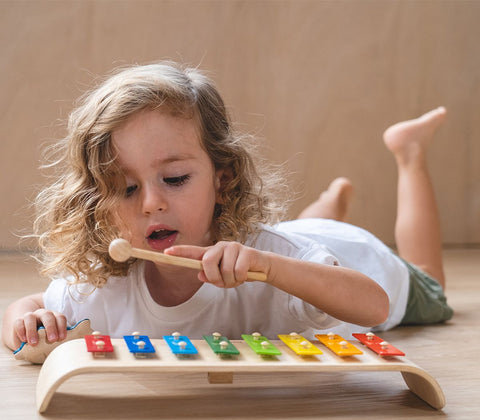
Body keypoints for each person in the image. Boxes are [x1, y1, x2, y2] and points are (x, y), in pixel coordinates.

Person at [1, 62, 453, 352]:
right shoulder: (105, 286)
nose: (152, 203)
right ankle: (326, 206)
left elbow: (375, 305)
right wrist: (27, 321)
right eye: (125, 188)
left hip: (356, 262)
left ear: (224, 178)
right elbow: (32, 304)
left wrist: (271, 268)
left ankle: (409, 155)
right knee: (289, 236)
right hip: (292, 243)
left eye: (175, 179)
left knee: (431, 280)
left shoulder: (268, 259)